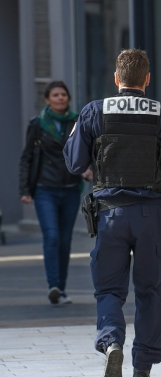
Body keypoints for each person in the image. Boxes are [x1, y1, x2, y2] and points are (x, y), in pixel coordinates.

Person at [63, 49, 161, 377]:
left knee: (109, 289)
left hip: (109, 214)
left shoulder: (95, 111)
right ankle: (142, 372)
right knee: (148, 291)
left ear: (116, 79)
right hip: (150, 215)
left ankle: (111, 344)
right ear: (147, 79)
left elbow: (74, 160)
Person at [18, 81, 91, 306]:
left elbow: (88, 150)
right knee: (52, 236)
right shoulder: (38, 124)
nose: (60, 98)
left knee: (65, 241)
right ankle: (54, 286)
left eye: (63, 95)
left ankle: (62, 288)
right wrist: (25, 190)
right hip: (44, 189)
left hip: (70, 189)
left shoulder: (78, 121)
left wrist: (88, 169)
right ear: (48, 100)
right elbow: (27, 158)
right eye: (55, 95)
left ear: (68, 98)